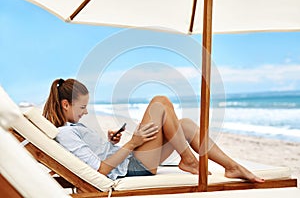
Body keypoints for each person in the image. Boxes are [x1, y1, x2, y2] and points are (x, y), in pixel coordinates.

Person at [43, 78, 264, 182]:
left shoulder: (71, 129)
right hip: (133, 166)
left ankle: (232, 166)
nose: (86, 112)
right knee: (160, 102)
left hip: (129, 160)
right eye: (82, 107)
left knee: (185, 124)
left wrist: (111, 142)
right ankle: (189, 160)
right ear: (65, 104)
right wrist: (132, 143)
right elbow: (100, 170)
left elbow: (97, 157)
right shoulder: (65, 133)